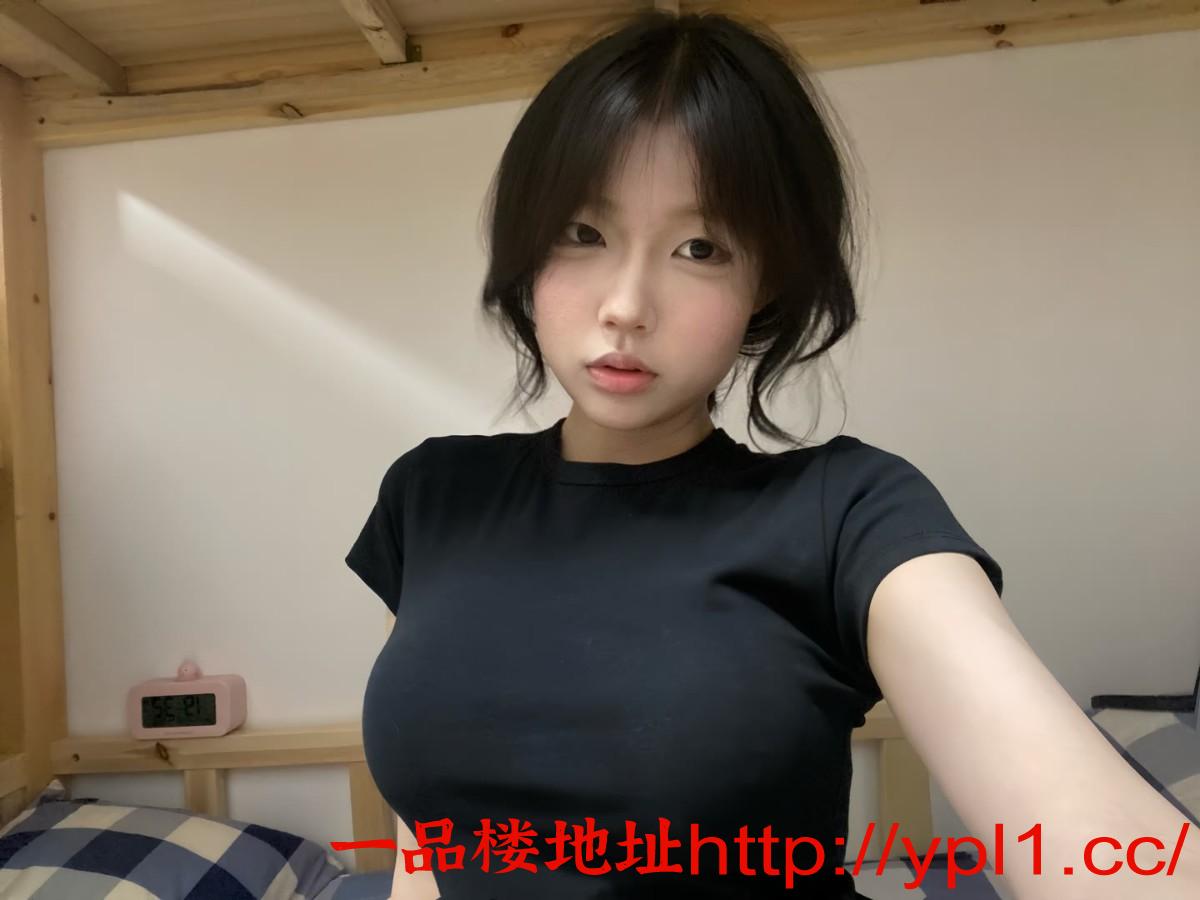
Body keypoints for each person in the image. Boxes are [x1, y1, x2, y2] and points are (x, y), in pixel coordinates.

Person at [345, 11, 1200, 900]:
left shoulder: (848, 513)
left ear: (768, 279)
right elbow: (429, 848)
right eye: (583, 232)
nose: (626, 305)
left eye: (700, 248)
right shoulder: (433, 496)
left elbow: (1099, 849)